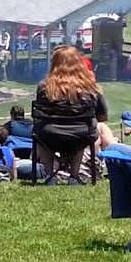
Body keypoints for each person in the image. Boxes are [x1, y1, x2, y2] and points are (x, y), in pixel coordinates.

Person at [32, 45, 108, 185]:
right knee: (87, 131)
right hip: (80, 135)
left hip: (49, 135)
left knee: (41, 131)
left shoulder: (43, 86)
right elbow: (102, 116)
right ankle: (74, 175)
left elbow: (40, 114)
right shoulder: (91, 87)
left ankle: (50, 176)